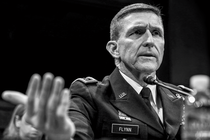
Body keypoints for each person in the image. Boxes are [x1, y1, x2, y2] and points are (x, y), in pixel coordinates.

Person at [3, 3, 186, 140]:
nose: (149, 41)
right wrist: (62, 136)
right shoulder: (90, 95)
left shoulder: (181, 98)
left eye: (156, 33)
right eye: (137, 32)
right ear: (114, 49)